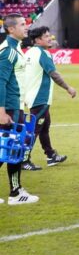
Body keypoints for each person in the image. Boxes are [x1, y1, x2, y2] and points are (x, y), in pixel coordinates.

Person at [22, 26, 76, 170]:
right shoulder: (43, 53)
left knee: (44, 127)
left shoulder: (29, 52)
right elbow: (54, 74)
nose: (50, 38)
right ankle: (24, 160)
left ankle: (51, 155)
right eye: (46, 36)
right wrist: (68, 88)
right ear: (38, 40)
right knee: (34, 130)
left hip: (32, 96)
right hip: (40, 99)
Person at [0, 13, 37, 205]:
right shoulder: (9, 51)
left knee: (12, 149)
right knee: (12, 149)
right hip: (10, 108)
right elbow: (1, 81)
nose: (26, 27)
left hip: (16, 106)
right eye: (22, 24)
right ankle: (15, 193)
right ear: (11, 29)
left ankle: (16, 191)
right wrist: (1, 111)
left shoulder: (15, 48)